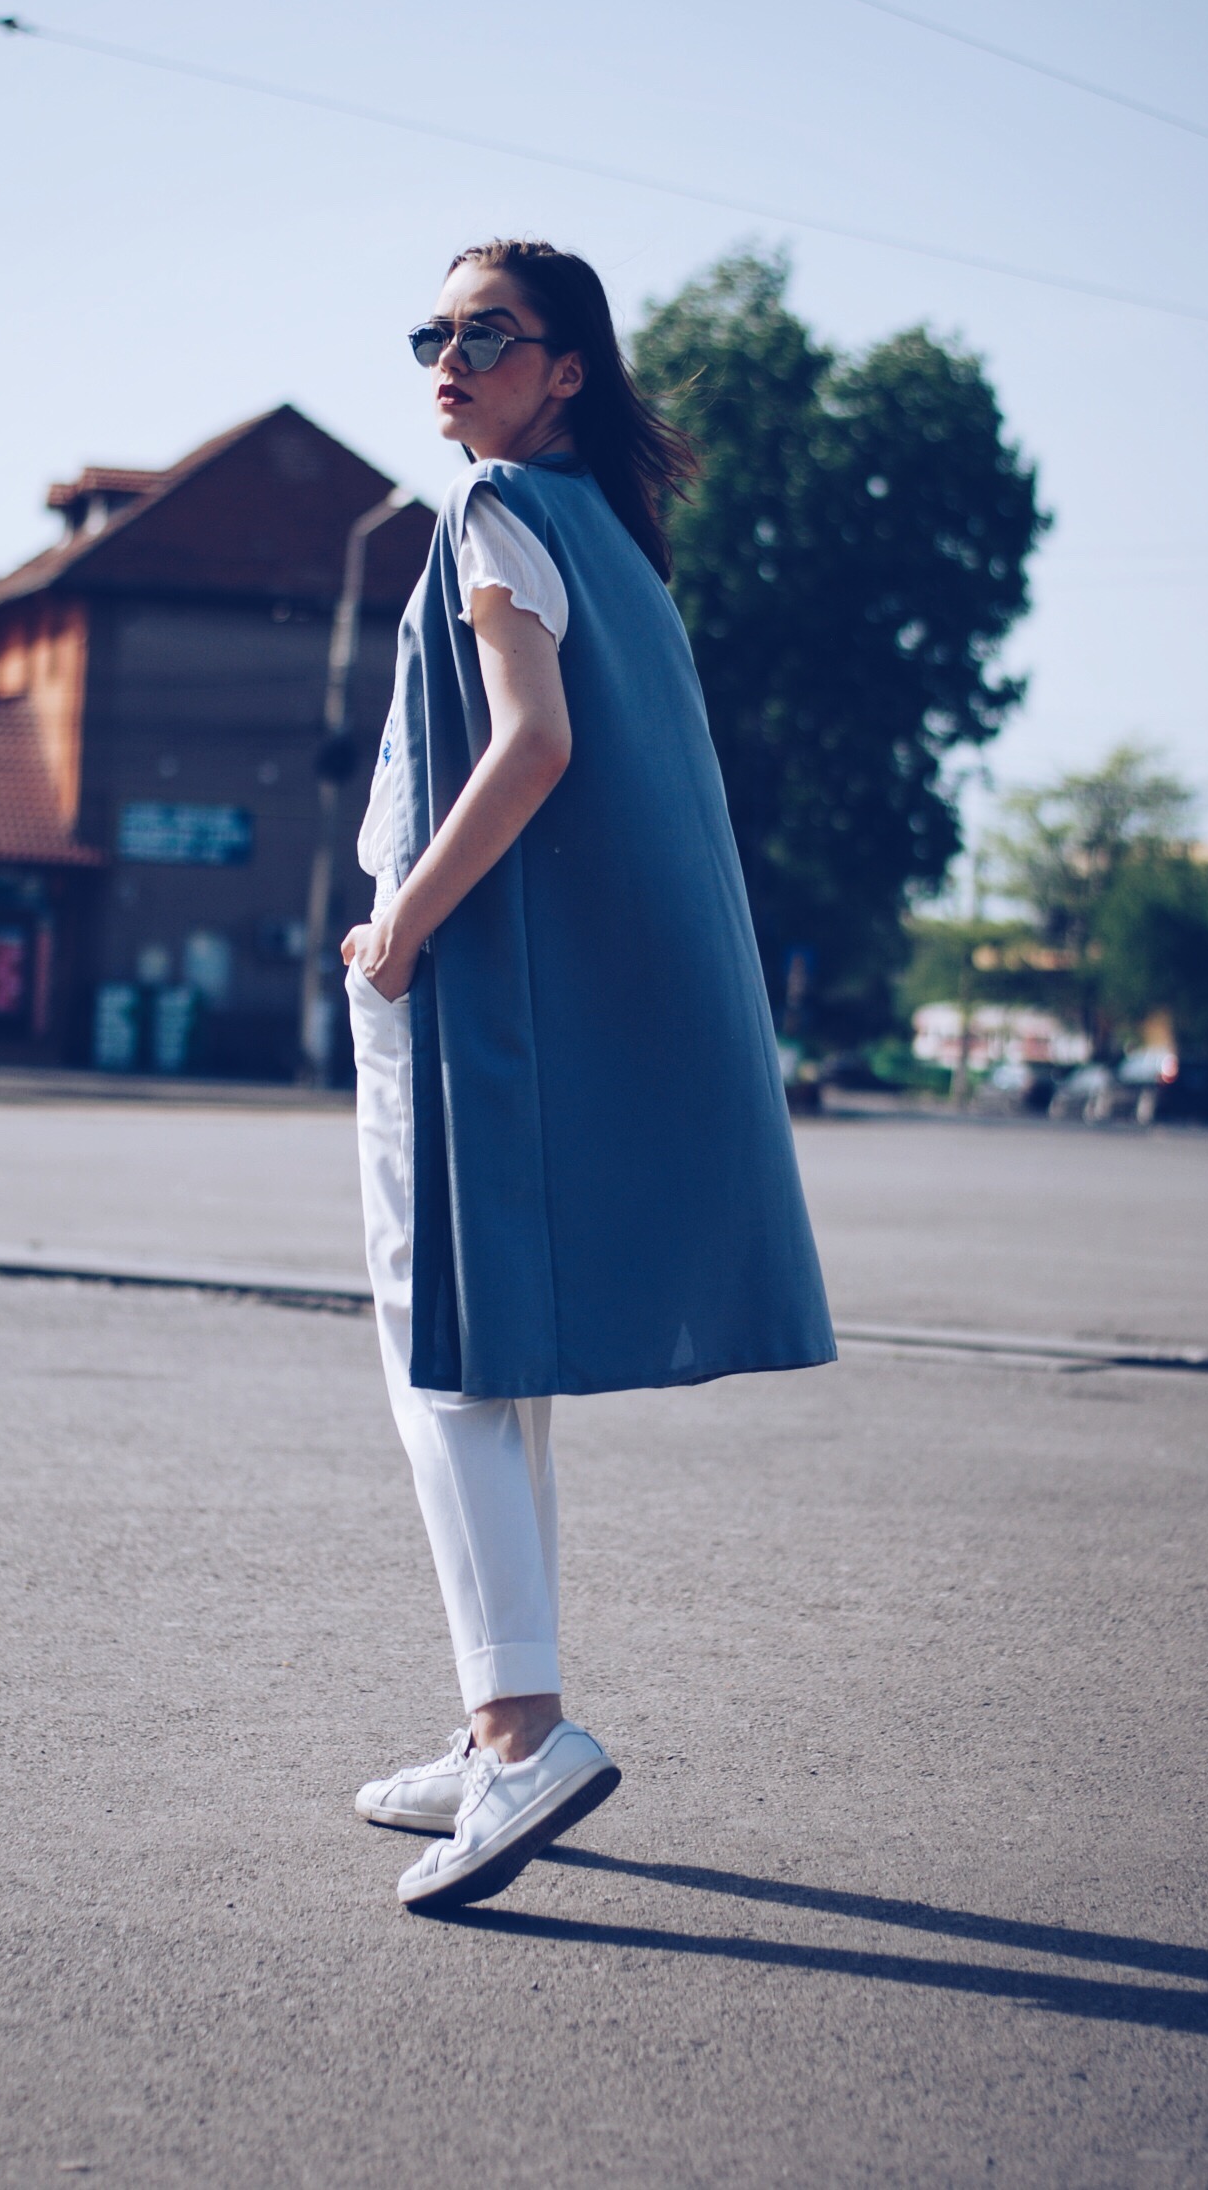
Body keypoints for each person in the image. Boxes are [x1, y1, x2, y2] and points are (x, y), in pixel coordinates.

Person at [341, 238, 835, 1913]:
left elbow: (531, 746)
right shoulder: (611, 539)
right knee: (495, 1371)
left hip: (465, 993)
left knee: (444, 1375)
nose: (451, 358)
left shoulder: (493, 517)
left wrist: (398, 928)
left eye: (489, 333)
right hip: (510, 999)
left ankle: (522, 1726)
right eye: (437, 331)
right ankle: (500, 1736)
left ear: (567, 370)